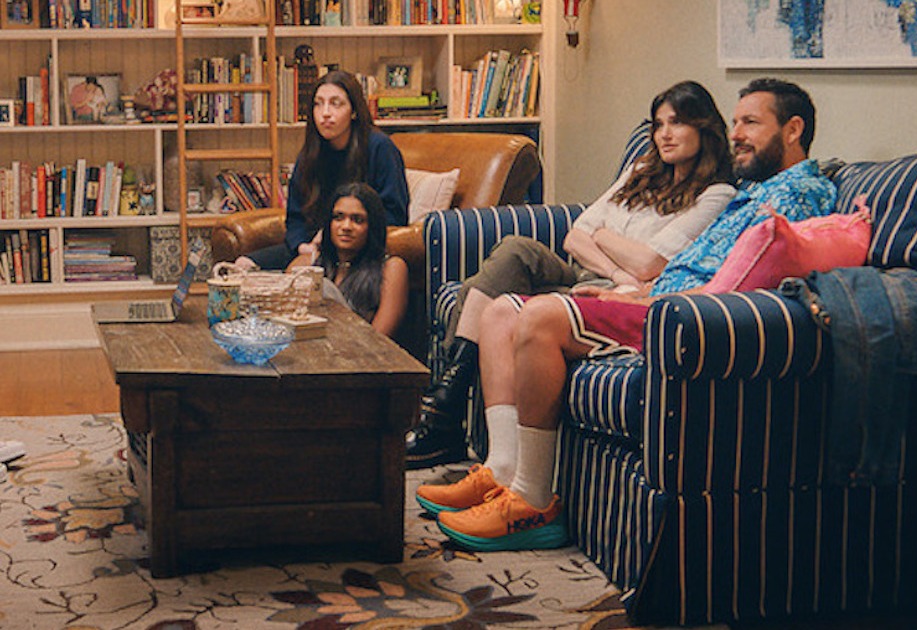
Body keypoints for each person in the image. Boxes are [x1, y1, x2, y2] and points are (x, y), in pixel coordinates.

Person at [417, 78, 837, 551]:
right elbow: (664, 256)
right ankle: (501, 469)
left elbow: (743, 279)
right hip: (659, 296)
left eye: (751, 123)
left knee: (539, 318)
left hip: (683, 315)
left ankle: (532, 502)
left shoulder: (796, 195)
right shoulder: (755, 191)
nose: (736, 133)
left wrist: (648, 297)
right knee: (499, 312)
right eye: (736, 122)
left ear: (793, 130)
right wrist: (643, 287)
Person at [407, 80, 738, 468]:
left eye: (677, 123)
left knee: (485, 296)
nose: (664, 134)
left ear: (704, 127)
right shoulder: (641, 170)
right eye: (659, 124)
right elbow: (576, 234)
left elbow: (650, 263)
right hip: (593, 275)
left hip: (615, 293)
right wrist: (615, 265)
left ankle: (444, 415)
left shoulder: (717, 194)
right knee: (514, 250)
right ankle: (448, 399)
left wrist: (603, 239)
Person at [236, 70, 410, 271]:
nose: (325, 113)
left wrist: (335, 232)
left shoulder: (380, 147)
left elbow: (395, 215)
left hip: (360, 249)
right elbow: (295, 216)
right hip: (314, 247)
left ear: (354, 111)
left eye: (336, 104)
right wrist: (302, 245)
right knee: (242, 265)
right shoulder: (310, 152)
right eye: (318, 104)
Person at [295, 182, 408, 338]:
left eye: (357, 220)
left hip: (364, 349)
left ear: (372, 226)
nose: (346, 226)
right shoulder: (306, 264)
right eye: (338, 217)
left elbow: (378, 339)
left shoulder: (391, 268)